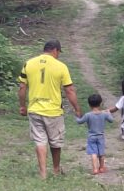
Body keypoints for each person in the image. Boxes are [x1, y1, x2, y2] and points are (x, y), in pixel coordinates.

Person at [18, 40, 81, 179]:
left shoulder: (28, 63)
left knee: (40, 141)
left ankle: (43, 174)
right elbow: (69, 90)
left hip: (34, 109)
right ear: (55, 50)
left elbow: (22, 87)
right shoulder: (61, 66)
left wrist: (22, 106)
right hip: (53, 111)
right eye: (58, 52)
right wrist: (77, 108)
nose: (58, 55)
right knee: (55, 142)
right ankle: (56, 170)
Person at [75, 94, 114, 175]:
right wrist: (109, 112)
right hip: (101, 136)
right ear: (100, 103)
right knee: (101, 153)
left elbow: (80, 121)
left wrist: (77, 116)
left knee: (93, 153)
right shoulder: (104, 114)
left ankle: (95, 169)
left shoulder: (88, 115)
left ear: (89, 104)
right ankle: (102, 168)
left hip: (91, 136)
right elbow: (111, 120)